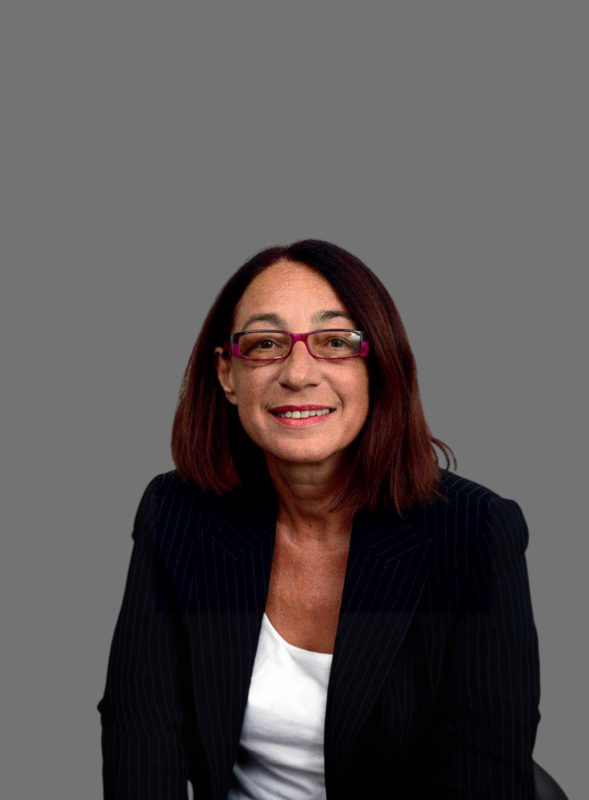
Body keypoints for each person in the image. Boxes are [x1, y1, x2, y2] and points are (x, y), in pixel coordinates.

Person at [98, 239, 540, 799]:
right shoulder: (177, 516)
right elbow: (141, 741)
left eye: (335, 342)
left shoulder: (475, 534)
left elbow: (487, 780)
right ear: (228, 375)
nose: (298, 373)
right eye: (265, 344)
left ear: (378, 366)